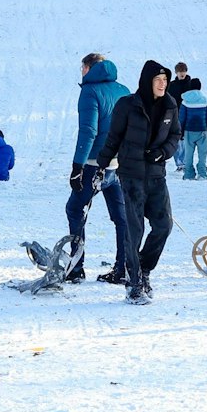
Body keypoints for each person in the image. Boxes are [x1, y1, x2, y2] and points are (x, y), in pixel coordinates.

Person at [94, 61, 181, 304]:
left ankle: (144, 269)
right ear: (147, 81)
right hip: (131, 176)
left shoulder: (170, 105)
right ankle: (133, 284)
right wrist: (100, 165)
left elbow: (175, 135)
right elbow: (114, 137)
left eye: (165, 80)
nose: (163, 84)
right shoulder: (127, 105)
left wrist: (163, 152)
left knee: (164, 225)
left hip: (156, 175)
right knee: (134, 230)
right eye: (158, 80)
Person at [68, 54, 129, 282]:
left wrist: (78, 166)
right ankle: (123, 267)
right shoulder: (123, 89)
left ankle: (76, 268)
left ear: (89, 68)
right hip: (119, 165)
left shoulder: (90, 91)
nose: (82, 72)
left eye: (83, 67)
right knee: (122, 217)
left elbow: (89, 131)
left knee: (75, 209)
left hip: (95, 164)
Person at [177, 86, 207, 180]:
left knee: (188, 154)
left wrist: (180, 132)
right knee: (202, 153)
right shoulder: (205, 100)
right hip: (202, 130)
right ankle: (202, 173)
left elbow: (181, 118)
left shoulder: (185, 101)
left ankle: (189, 174)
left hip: (188, 131)